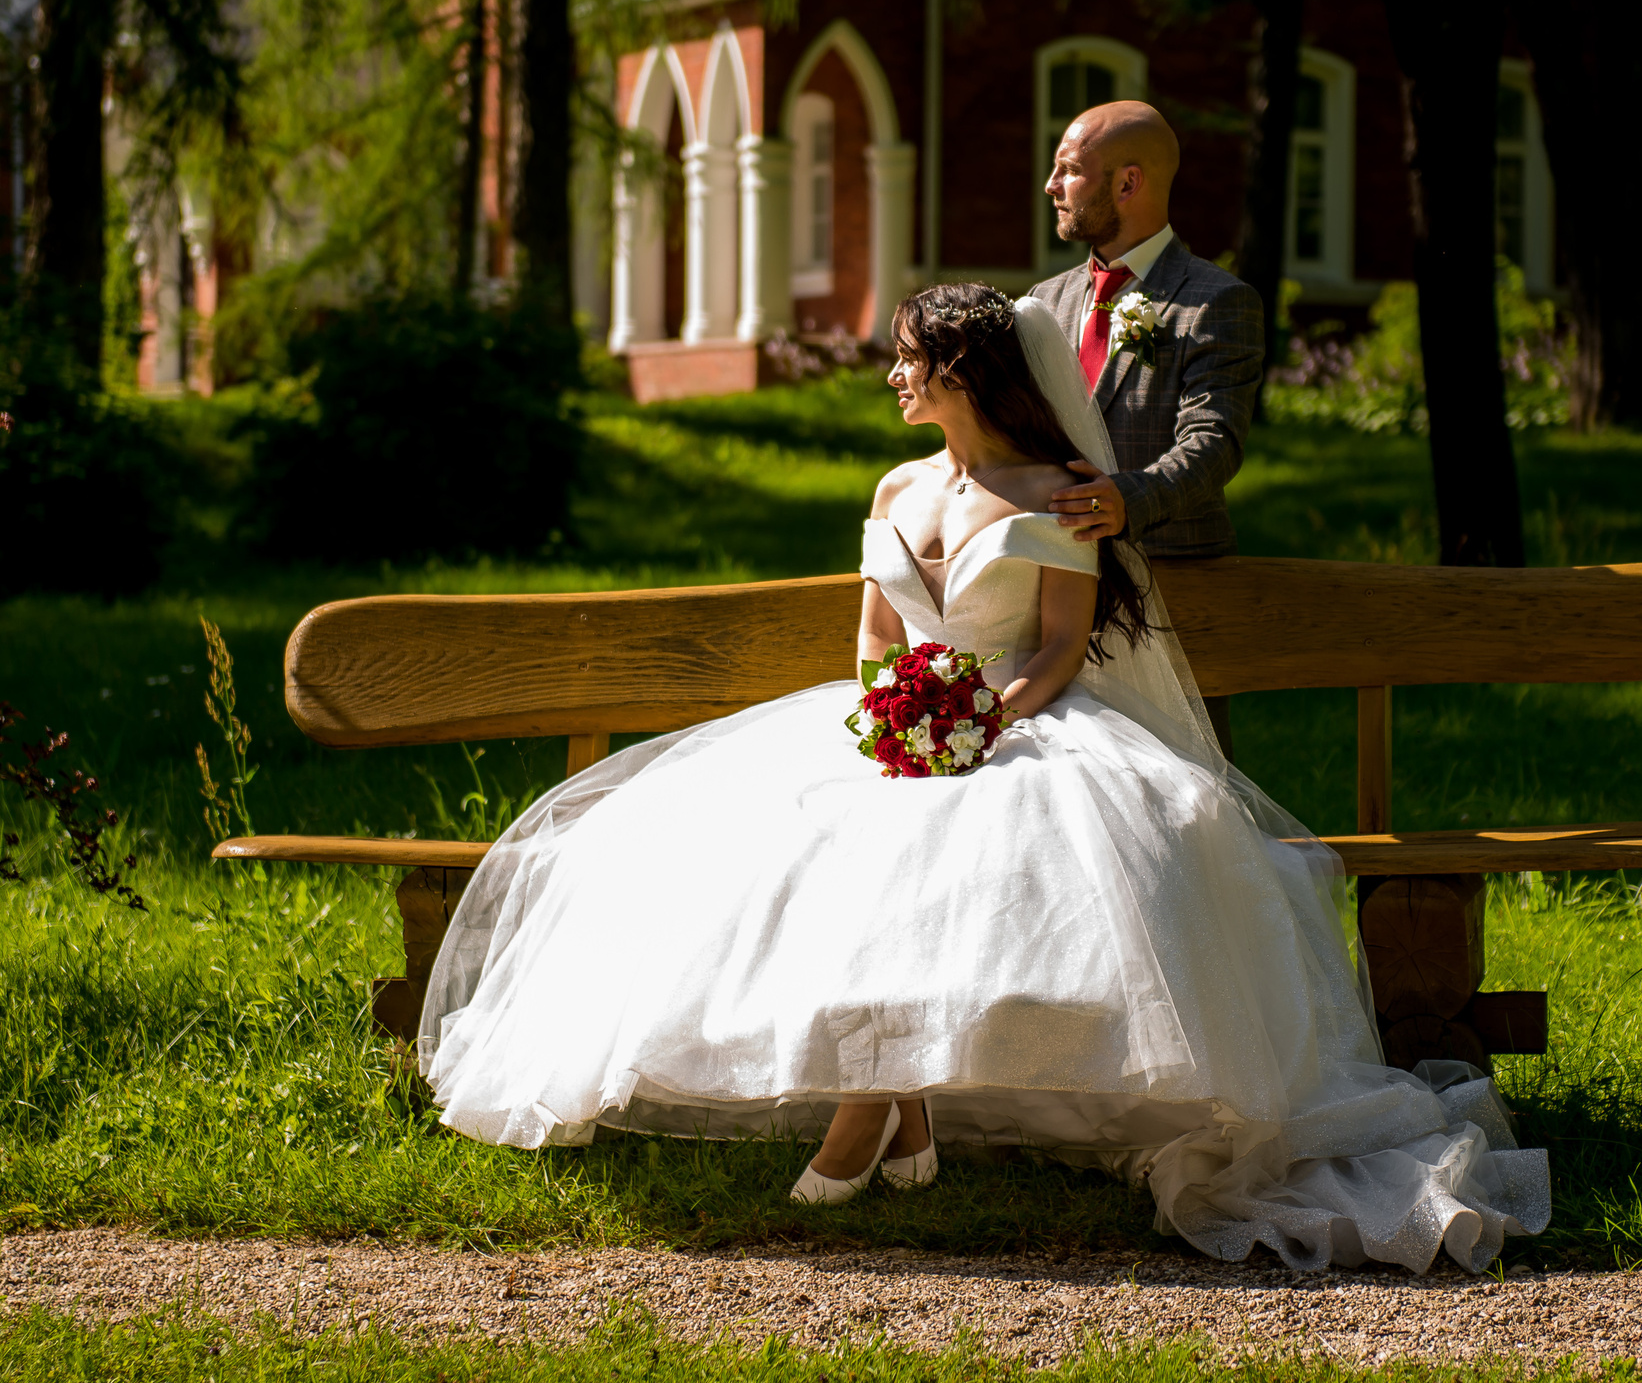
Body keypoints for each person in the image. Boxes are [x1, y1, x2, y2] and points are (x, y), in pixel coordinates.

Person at [416, 284, 1545, 1275]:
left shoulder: (1059, 488)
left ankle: (875, 1109)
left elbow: (1056, 645)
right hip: (893, 721)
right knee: (782, 833)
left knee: (985, 841)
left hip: (1022, 719)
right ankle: (896, 1105)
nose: (893, 372)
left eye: (909, 355)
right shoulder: (896, 482)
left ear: (960, 367)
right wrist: (887, 720)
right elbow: (871, 637)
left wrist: (979, 722)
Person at [1027, 101, 1263, 756]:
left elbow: (1213, 442)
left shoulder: (1214, 302)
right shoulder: (1044, 304)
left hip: (1173, 594)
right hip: (1051, 593)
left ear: (1127, 184)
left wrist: (1128, 499)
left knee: (1190, 792)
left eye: (1069, 170)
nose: (1051, 186)